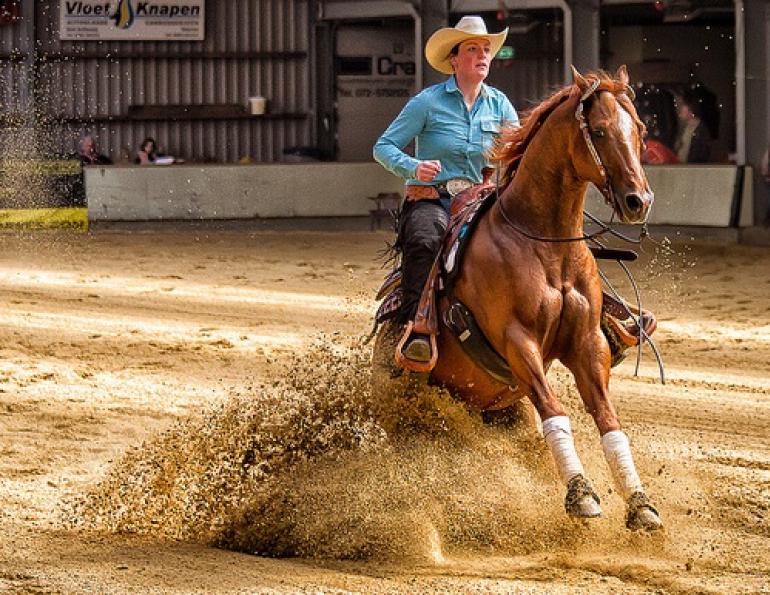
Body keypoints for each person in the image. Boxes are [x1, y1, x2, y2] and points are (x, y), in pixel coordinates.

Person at [373, 15, 517, 364]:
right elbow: (383, 146)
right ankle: (415, 327)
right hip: (433, 197)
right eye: (473, 49)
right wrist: (413, 167)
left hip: (480, 198)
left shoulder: (500, 104)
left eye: (486, 49)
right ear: (454, 59)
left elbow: (520, 149)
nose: (483, 55)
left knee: (528, 241)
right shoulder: (427, 102)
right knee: (425, 240)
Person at [673, 91, 711, 164]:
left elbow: (702, 154)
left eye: (683, 110)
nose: (680, 113)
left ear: (691, 111)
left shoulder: (701, 130)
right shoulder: (685, 128)